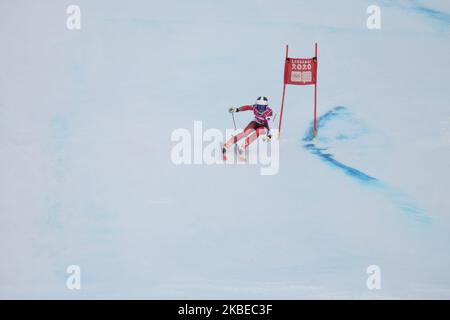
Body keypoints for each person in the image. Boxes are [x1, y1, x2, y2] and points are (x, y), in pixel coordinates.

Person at [223, 96, 273, 160]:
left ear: (266, 106)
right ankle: (227, 144)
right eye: (259, 106)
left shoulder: (269, 112)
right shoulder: (255, 107)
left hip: (264, 126)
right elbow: (247, 107)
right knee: (245, 133)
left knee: (258, 132)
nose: (260, 109)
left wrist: (269, 135)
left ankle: (243, 146)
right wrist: (237, 109)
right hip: (256, 122)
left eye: (262, 107)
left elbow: (270, 124)